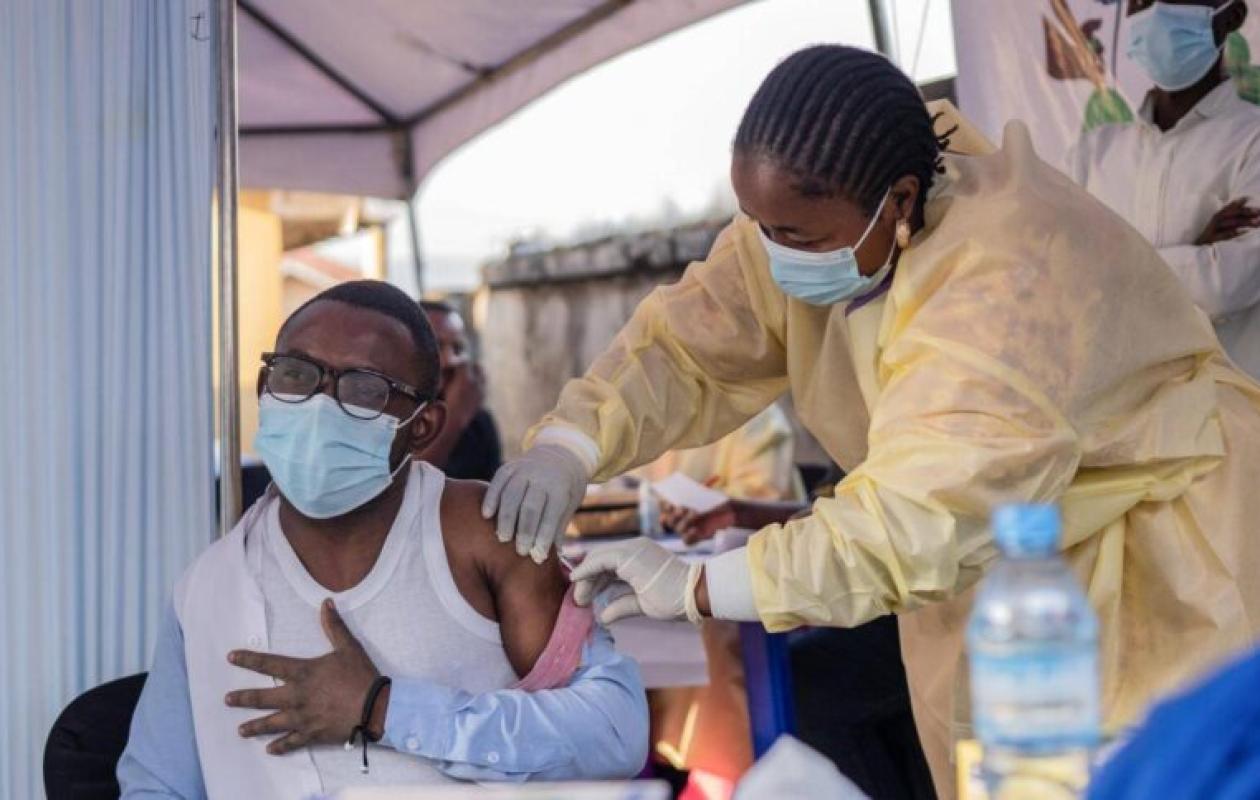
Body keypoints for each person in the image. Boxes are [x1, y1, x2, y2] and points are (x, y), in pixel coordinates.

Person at [481, 45, 1260, 798]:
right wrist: (572, 442)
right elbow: (691, 339)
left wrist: (702, 585)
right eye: (756, 224)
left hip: (1161, 563)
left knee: (1148, 770)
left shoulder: (1007, 279)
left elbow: (911, 521)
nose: (769, 253)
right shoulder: (819, 207)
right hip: (1000, 565)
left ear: (900, 202)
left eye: (796, 238)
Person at [117, 281, 648, 799]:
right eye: (296, 374)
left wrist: (386, 709)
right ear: (265, 389)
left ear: (423, 426)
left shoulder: (482, 536)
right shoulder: (212, 585)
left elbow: (614, 731)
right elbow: (156, 784)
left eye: (364, 388)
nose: (319, 405)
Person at [1067, 0, 1260, 378]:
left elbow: (1226, 285)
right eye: (1140, 1)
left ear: (1232, 16)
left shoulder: (1253, 142)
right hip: (1123, 420)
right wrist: (1195, 252)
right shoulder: (1092, 154)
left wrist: (1109, 269)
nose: (1154, 10)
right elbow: (1064, 281)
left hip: (1234, 417)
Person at [416, 299, 503, 481]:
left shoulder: (478, 422)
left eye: (457, 348)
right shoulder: (389, 414)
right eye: (436, 346)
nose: (449, 360)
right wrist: (455, 416)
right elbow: (402, 490)